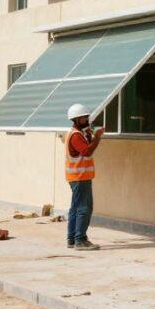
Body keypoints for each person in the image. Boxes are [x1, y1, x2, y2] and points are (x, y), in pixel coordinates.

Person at [64, 103, 103, 251]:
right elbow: (87, 151)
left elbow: (84, 147)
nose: (87, 119)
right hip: (80, 178)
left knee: (75, 208)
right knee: (84, 208)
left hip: (77, 177)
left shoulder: (76, 133)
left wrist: (89, 135)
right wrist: (97, 137)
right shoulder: (75, 135)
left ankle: (72, 239)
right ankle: (80, 240)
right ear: (77, 119)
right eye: (84, 117)